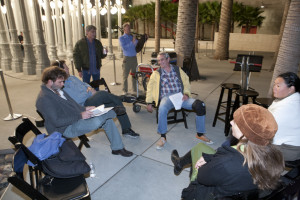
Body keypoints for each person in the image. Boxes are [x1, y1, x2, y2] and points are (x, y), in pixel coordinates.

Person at [171, 104, 284, 199]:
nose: (231, 122)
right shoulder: (273, 156)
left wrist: (206, 163)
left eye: (236, 122)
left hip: (212, 194)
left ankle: (179, 164)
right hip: (238, 188)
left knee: (198, 160)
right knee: (201, 148)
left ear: (246, 133)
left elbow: (202, 177)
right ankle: (179, 163)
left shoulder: (228, 162)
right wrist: (209, 158)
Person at [36, 66, 133, 157]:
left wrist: (84, 109)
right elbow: (57, 122)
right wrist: (80, 116)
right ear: (49, 81)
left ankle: (117, 148)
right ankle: (112, 112)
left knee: (106, 120)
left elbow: (72, 104)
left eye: (63, 82)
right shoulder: (45, 99)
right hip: (64, 128)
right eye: (60, 82)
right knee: (96, 122)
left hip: (74, 117)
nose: (63, 84)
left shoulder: (56, 89)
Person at [51, 60, 140, 138]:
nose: (68, 69)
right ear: (60, 71)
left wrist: (90, 88)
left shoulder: (73, 78)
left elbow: (85, 84)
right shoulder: (62, 86)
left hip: (92, 98)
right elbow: (77, 99)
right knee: (101, 94)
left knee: (115, 104)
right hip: (84, 105)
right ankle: (122, 98)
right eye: (66, 68)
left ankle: (126, 129)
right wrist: (90, 92)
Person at [146, 52, 212, 149]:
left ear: (168, 59)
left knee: (200, 105)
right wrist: (149, 102)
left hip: (180, 96)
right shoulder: (156, 74)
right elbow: (150, 88)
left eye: (162, 59)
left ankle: (200, 133)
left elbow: (186, 82)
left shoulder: (178, 70)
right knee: (162, 108)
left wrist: (186, 94)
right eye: (159, 60)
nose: (160, 62)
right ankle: (163, 137)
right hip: (166, 97)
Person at [268, 72, 300, 161]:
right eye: (274, 85)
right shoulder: (292, 99)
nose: (274, 88)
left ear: (291, 89)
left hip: (290, 149)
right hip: (290, 144)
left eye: (278, 86)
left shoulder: (289, 106)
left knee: (252, 146)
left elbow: (266, 128)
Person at [73, 25, 107, 90]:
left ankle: (97, 98)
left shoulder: (97, 43)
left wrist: (105, 53)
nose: (94, 34)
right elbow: (76, 57)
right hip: (86, 70)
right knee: (86, 87)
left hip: (96, 69)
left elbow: (102, 56)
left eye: (95, 32)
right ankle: (88, 99)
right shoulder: (80, 43)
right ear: (87, 32)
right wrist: (79, 70)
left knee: (96, 87)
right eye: (92, 32)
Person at [119, 23, 138, 95]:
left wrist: (144, 39)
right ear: (124, 30)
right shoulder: (121, 38)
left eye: (129, 28)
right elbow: (125, 48)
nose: (129, 30)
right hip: (127, 58)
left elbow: (137, 45)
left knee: (134, 74)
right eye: (127, 29)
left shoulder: (131, 37)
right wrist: (132, 42)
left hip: (134, 58)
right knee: (125, 75)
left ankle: (135, 89)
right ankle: (125, 90)